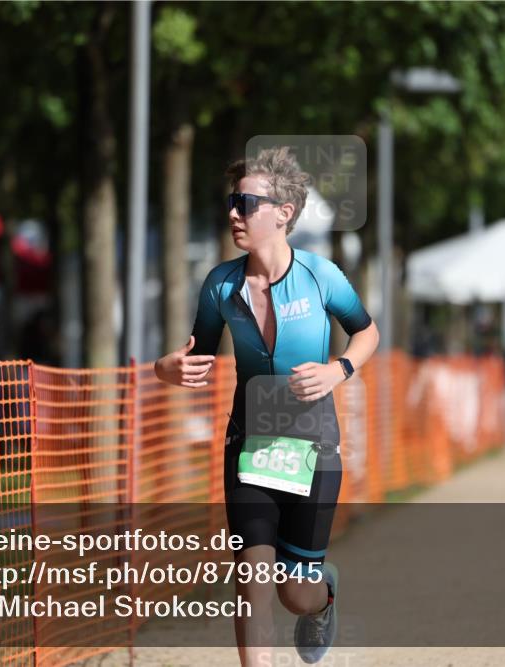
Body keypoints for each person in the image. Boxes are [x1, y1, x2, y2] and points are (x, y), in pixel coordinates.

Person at [154, 147, 379, 666]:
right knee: (252, 583)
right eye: (233, 202)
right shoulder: (221, 285)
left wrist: (337, 370)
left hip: (314, 448)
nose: (234, 212)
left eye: (246, 203)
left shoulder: (322, 275)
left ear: (284, 213)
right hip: (250, 447)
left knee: (292, 594)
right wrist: (164, 371)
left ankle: (323, 597)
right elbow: (196, 358)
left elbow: (367, 332)